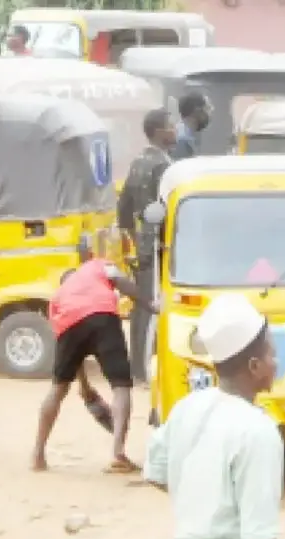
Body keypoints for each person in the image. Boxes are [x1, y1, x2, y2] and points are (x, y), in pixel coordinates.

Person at [143, 294, 285, 539]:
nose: (276, 361)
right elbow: (259, 537)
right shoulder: (258, 431)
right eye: (271, 353)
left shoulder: (188, 407)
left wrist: (199, 498)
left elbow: (155, 471)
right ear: (253, 366)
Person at [32, 238, 158, 473]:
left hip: (70, 325)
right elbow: (123, 283)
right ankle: (118, 453)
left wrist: (84, 385)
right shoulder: (97, 265)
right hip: (102, 316)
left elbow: (67, 345)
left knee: (57, 389)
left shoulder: (58, 297)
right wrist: (150, 304)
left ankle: (37, 455)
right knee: (120, 386)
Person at [119, 107, 175, 383]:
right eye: (170, 125)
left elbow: (123, 209)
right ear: (159, 132)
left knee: (140, 307)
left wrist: (134, 239)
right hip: (157, 247)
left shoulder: (138, 161)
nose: (175, 129)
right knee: (153, 306)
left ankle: (135, 369)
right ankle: (145, 370)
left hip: (143, 245)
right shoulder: (163, 167)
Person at [171, 93, 210, 161]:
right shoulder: (183, 140)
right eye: (207, 109)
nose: (209, 114)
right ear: (197, 110)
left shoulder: (183, 134)